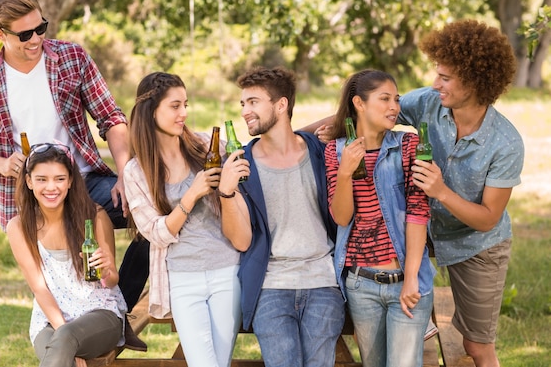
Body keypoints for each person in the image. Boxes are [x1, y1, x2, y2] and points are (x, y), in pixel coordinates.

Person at [0, 0, 149, 343]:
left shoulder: (71, 57)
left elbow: (111, 118)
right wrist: (1, 163)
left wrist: (126, 174)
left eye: (40, 27)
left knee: (152, 215)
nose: (36, 39)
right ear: (0, 34)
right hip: (31, 197)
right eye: (25, 34)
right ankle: (65, 332)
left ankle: (120, 311)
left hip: (86, 183)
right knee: (54, 275)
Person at [399, 19, 524, 367]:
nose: (435, 83)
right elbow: (370, 109)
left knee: (476, 346)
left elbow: (487, 219)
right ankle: (414, 322)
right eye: (437, 74)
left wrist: (440, 190)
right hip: (421, 229)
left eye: (446, 77)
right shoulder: (428, 103)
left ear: (475, 81)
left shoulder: (505, 143)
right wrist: (298, 137)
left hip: (477, 241)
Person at [218, 66, 345, 367]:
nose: (246, 111)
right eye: (243, 104)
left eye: (253, 102)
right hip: (271, 286)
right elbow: (241, 240)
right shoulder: (241, 164)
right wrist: (227, 192)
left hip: (323, 283)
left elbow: (351, 114)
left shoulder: (319, 150)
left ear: (281, 104)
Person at [123, 72, 246, 367]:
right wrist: (191, 196)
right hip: (182, 277)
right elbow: (156, 233)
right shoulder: (136, 171)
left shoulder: (205, 146)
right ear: (152, 111)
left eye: (186, 105)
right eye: (175, 106)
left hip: (226, 270)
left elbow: (249, 156)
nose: (184, 113)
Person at [325, 69, 435, 367]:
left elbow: (418, 213)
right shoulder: (335, 151)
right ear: (359, 103)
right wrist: (346, 170)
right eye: (384, 99)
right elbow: (342, 217)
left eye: (396, 100)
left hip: (407, 281)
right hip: (362, 286)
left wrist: (411, 277)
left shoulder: (409, 146)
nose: (394, 107)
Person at [7, 142, 127, 367]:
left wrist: (106, 268)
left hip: (99, 314)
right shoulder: (19, 227)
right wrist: (68, 343)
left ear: (71, 181)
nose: (51, 187)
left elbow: (111, 281)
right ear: (29, 181)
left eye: (59, 179)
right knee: (63, 351)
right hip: (49, 321)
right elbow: (39, 289)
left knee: (63, 341)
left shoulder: (95, 217)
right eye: (42, 179)